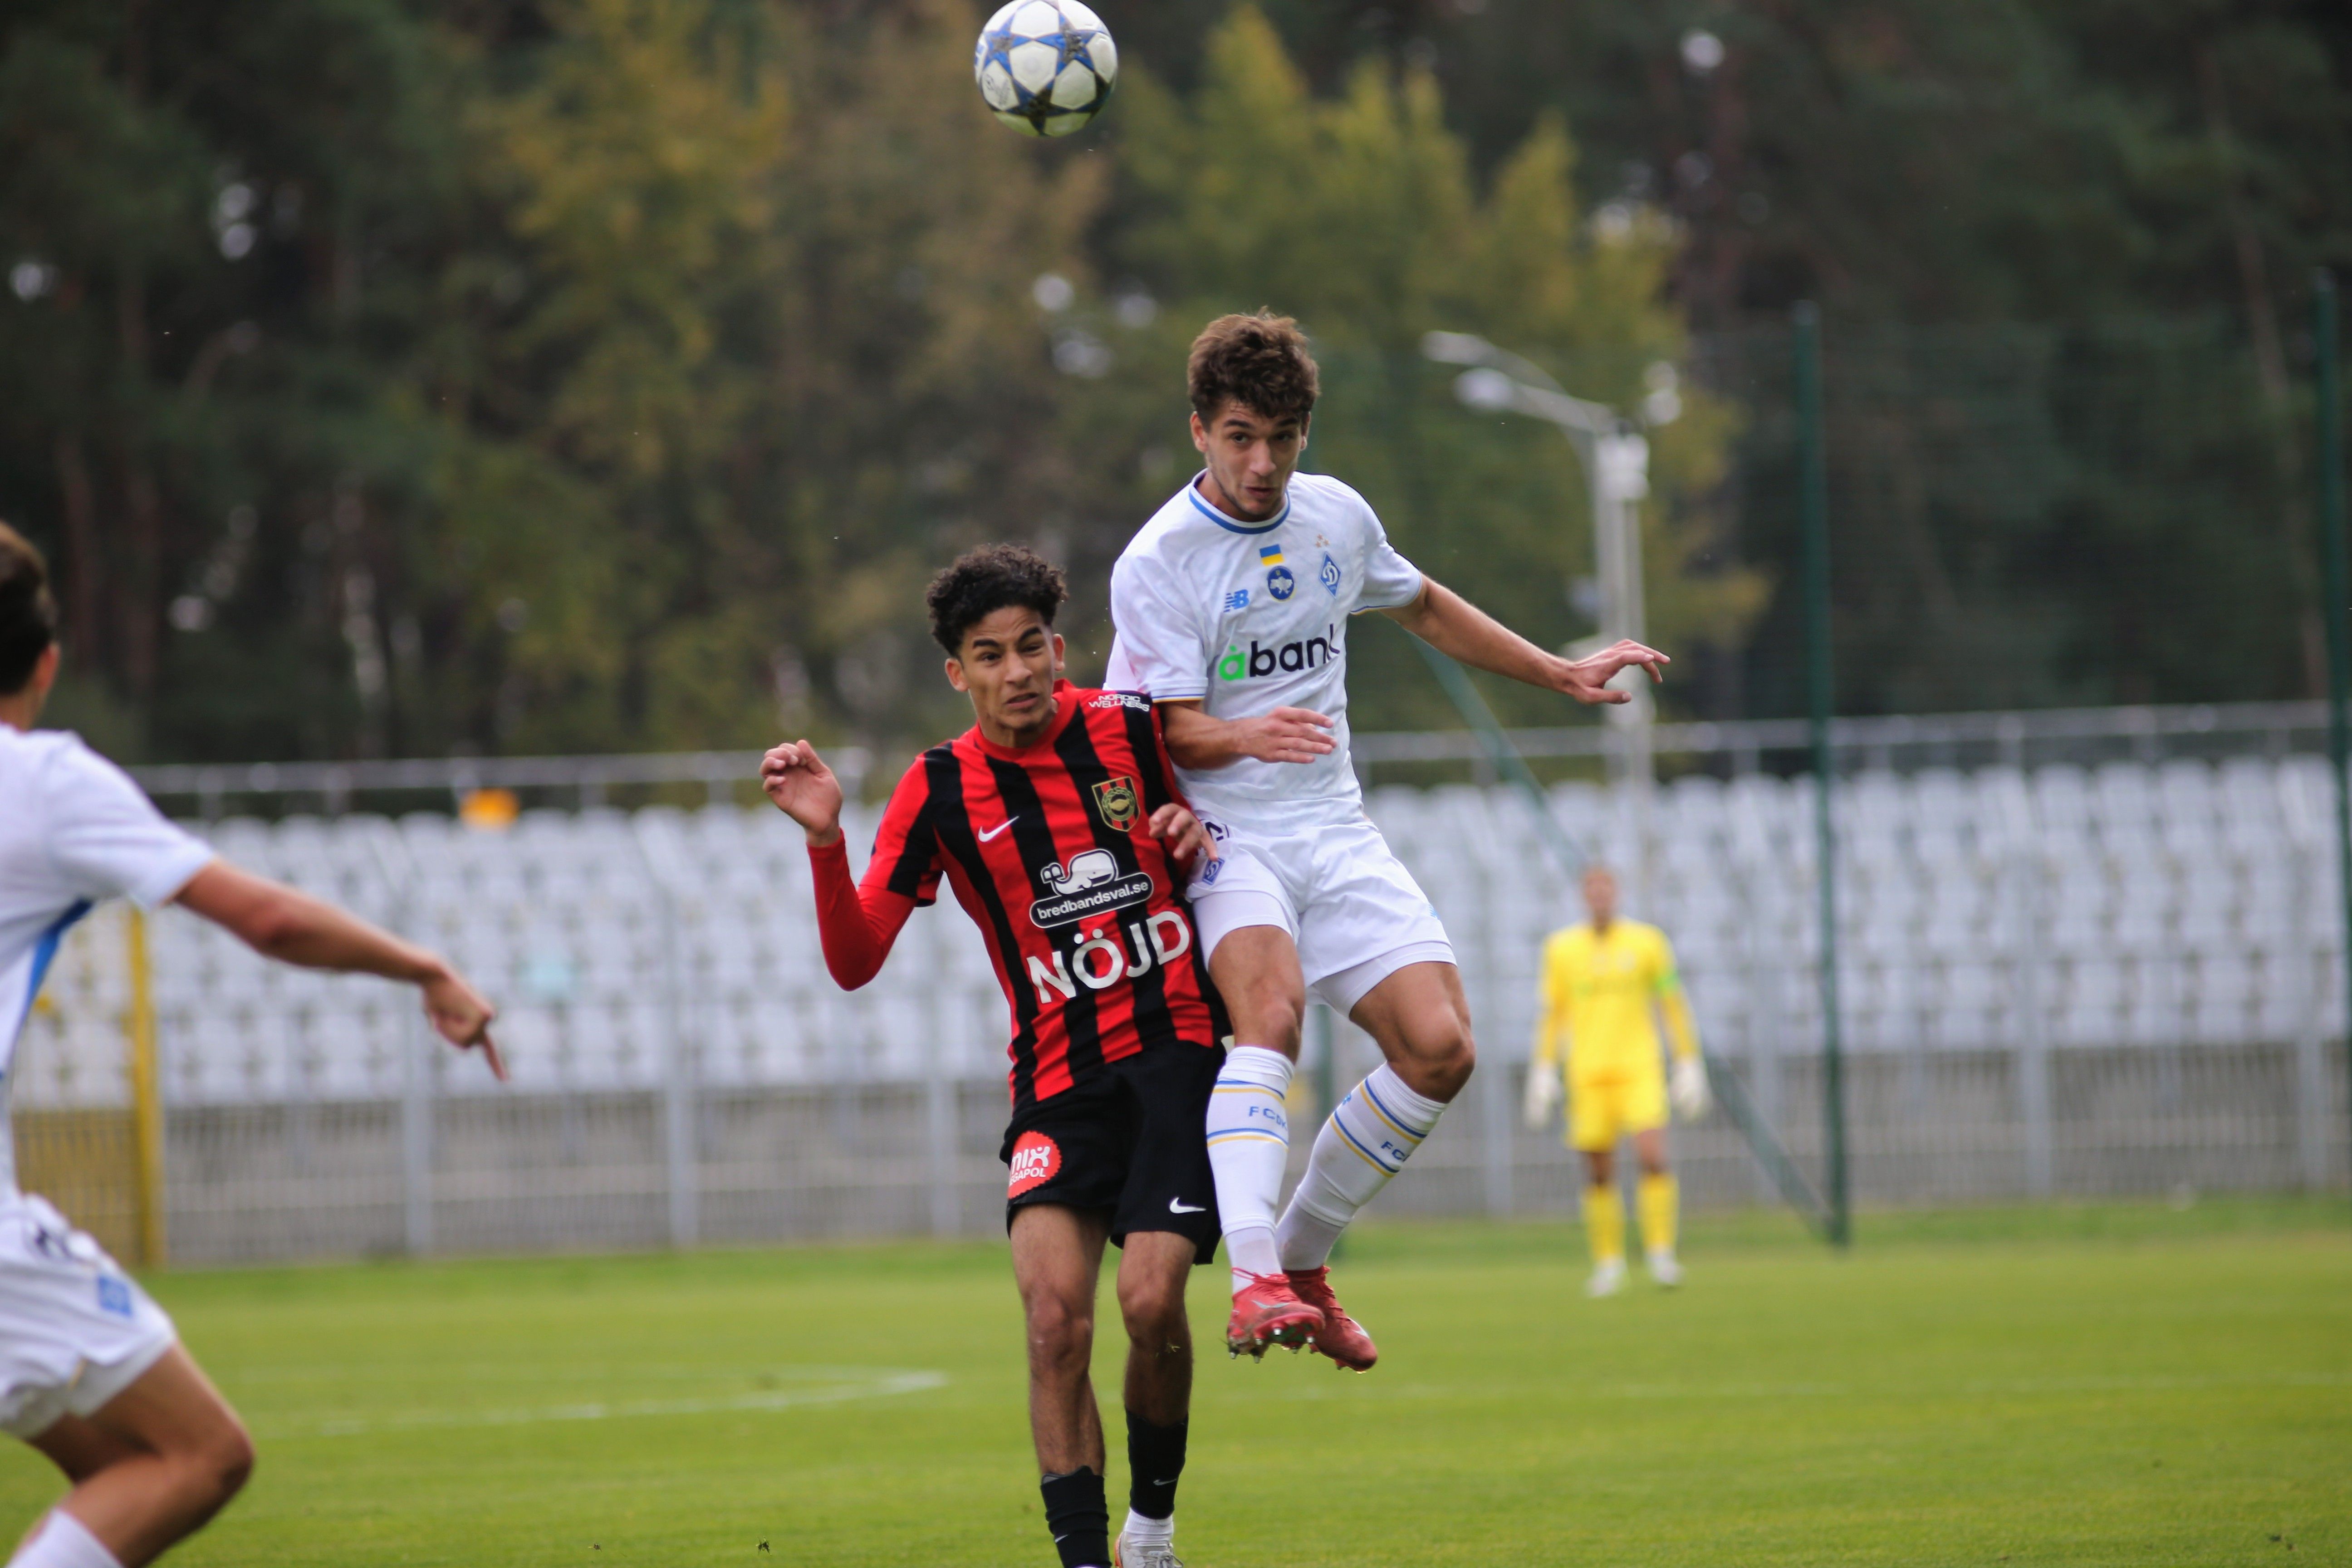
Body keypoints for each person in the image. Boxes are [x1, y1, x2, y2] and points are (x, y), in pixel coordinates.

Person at [1102, 310, 1671, 1368]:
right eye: (1237, 435)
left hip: (1333, 821)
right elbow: (1146, 728)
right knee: (1266, 1016)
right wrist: (1239, 732)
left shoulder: (1335, 518)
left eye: (1280, 434)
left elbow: (1421, 606)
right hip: (1226, 831)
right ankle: (1256, 1276)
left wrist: (1558, 667)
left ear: (1306, 430)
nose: (1260, 461)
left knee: (1440, 1044)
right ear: (1198, 432)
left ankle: (1306, 1263)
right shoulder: (1157, 562)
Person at [0, 522, 504, 1568]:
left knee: (117, 1454)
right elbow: (265, 917)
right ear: (45, 662)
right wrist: (423, 965)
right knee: (196, 1452)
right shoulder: (42, 783)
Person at [760, 545, 1224, 1568]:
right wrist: (828, 841)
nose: (1016, 672)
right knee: (1054, 1321)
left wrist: (1203, 835)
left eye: (1030, 648)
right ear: (956, 673)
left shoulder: (1135, 733)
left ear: (1060, 650)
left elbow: (1239, 839)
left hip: (1176, 1059)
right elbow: (854, 961)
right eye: (989, 655)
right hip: (1056, 1081)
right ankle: (1085, 1561)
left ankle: (1151, 1524)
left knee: (1150, 1300)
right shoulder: (937, 789)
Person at [1524, 865, 1710, 1296]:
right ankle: (1608, 1262)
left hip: (1639, 1067)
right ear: (1583, 896)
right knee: (1599, 1169)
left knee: (1652, 1156)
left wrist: (1688, 1060)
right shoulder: (1562, 949)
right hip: (1587, 1073)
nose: (1600, 897)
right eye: (1593, 889)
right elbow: (1554, 1014)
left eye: (1607, 888)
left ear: (1618, 894)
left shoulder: (1647, 943)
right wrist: (1543, 1068)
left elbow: (1672, 1003)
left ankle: (1661, 1253)